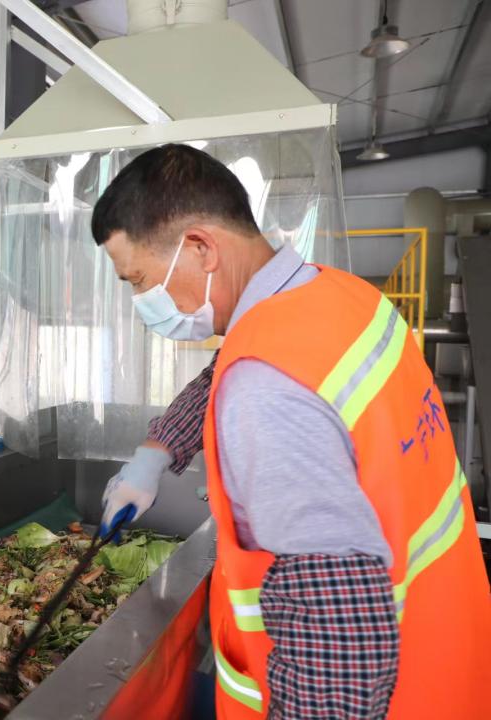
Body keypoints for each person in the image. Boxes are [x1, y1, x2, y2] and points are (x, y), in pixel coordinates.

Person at [93, 144, 491, 719]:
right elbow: (227, 371)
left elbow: (336, 637)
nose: (140, 301)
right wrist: (155, 454)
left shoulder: (265, 390)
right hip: (447, 654)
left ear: (201, 248)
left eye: (139, 280)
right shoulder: (343, 297)